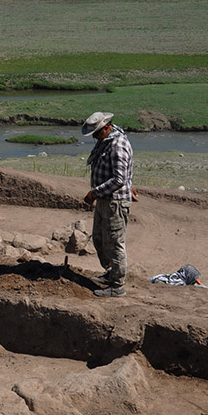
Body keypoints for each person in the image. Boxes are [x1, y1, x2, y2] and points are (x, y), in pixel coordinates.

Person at [82, 111, 134, 298]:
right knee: (99, 238)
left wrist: (94, 193)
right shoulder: (106, 141)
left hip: (115, 201)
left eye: (96, 133)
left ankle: (117, 285)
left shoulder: (118, 145)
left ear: (106, 128)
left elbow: (119, 179)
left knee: (114, 243)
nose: (94, 137)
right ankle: (111, 272)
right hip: (106, 198)